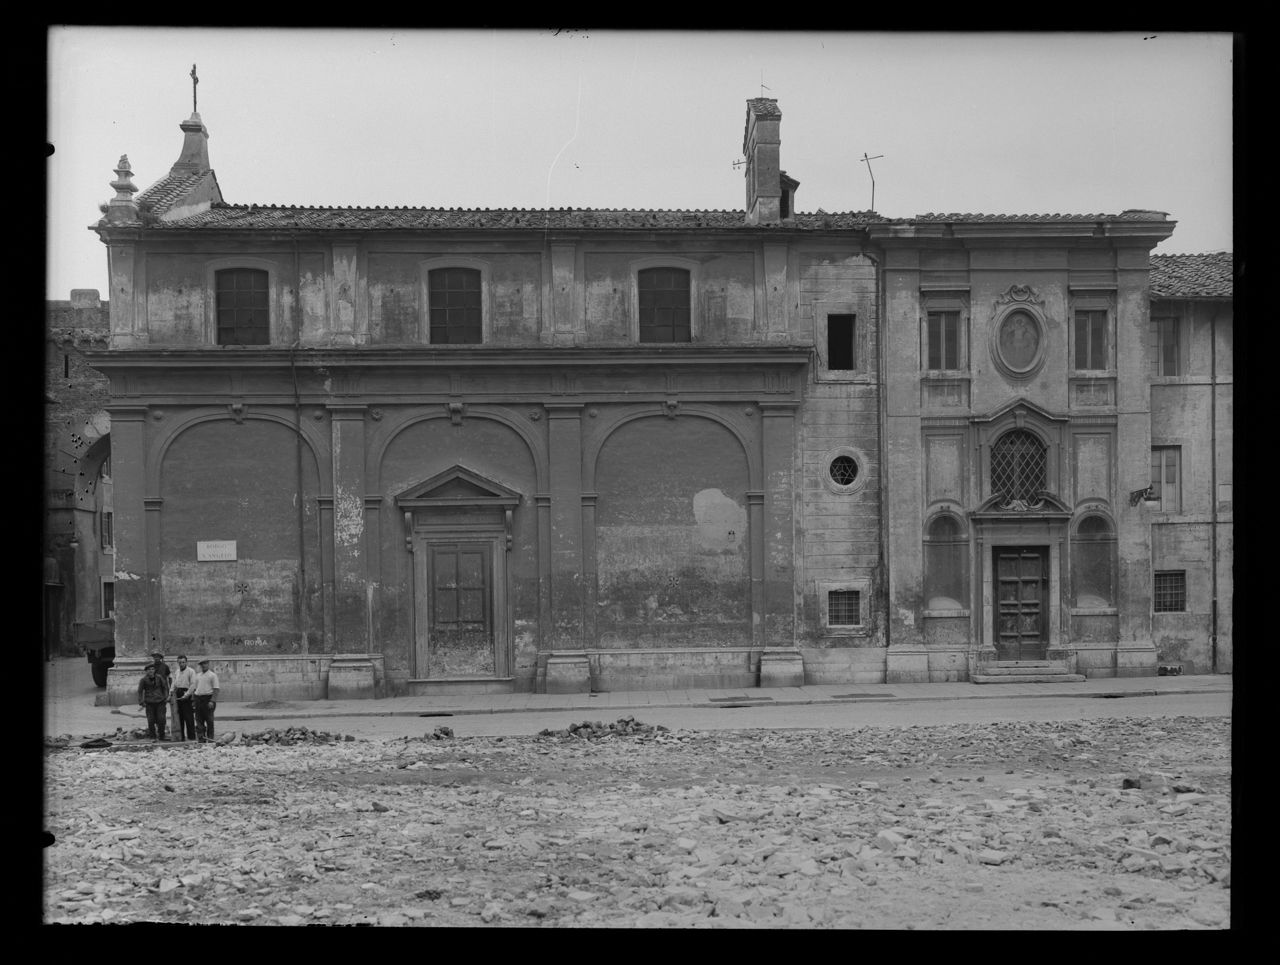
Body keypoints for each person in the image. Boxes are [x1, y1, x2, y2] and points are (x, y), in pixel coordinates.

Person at [136, 663, 170, 742]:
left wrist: (165, 697)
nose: (151, 671)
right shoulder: (143, 680)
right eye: (149, 670)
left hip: (160, 701)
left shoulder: (159, 677)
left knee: (161, 719)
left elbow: (164, 687)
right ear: (146, 671)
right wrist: (141, 702)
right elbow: (139, 691)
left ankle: (162, 736)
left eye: (152, 669)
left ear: (154, 670)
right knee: (150, 720)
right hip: (149, 702)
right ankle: (152, 736)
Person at [192, 658, 220, 743]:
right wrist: (193, 701)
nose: (203, 666)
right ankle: (201, 739)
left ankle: (210, 739)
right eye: (202, 664)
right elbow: (195, 689)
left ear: (208, 664)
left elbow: (216, 689)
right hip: (198, 699)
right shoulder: (198, 676)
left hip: (208, 699)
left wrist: (212, 701)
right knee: (199, 720)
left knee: (209, 721)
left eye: (205, 664)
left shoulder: (212, 675)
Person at [171, 654, 197, 742]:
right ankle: (181, 737)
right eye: (180, 662)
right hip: (178, 694)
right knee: (179, 717)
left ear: (186, 662)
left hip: (187, 695)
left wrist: (186, 695)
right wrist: (171, 694)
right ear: (177, 663)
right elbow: (174, 683)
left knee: (188, 717)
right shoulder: (177, 672)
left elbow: (193, 685)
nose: (181, 664)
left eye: (183, 662)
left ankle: (191, 737)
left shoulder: (191, 671)